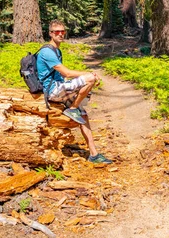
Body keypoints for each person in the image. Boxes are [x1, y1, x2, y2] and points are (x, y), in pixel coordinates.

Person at [36, 20, 113, 164]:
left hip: (59, 86)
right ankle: (71, 108)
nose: (60, 34)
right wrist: (88, 74)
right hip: (52, 90)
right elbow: (66, 73)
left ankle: (94, 154)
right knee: (89, 79)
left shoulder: (56, 50)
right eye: (57, 32)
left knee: (83, 114)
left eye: (62, 32)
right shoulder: (47, 51)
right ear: (51, 33)